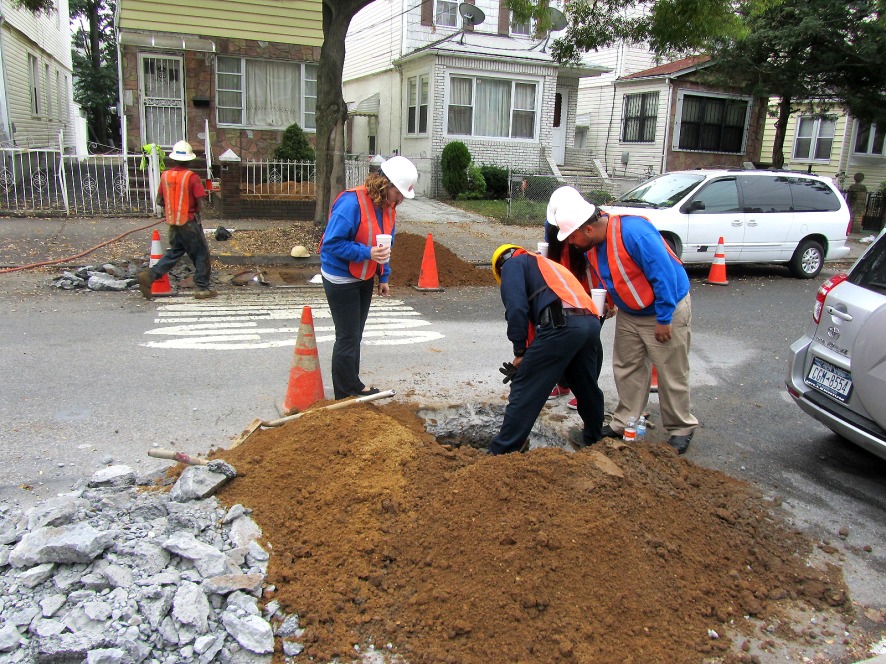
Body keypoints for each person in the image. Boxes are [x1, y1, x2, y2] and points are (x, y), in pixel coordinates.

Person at [554, 197, 698, 454]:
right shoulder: (593, 244)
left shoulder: (634, 233)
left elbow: (663, 273)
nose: (571, 243)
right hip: (632, 312)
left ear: (588, 229)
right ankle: (624, 423)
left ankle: (681, 427)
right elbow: (609, 273)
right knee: (627, 367)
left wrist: (664, 318)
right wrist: (610, 301)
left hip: (665, 309)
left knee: (670, 370)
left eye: (572, 237)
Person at [488, 243, 604, 455]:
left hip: (561, 325)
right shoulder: (548, 265)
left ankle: (501, 453)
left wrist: (520, 351)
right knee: (586, 387)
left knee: (525, 387)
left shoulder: (512, 265)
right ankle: (595, 439)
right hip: (590, 322)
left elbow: (516, 308)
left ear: (500, 267)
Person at [320, 155, 418, 400]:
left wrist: (383, 275)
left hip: (364, 277)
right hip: (341, 277)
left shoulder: (388, 208)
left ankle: (353, 384)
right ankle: (344, 394)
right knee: (347, 336)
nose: (401, 199)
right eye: (399, 193)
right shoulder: (351, 203)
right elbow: (331, 244)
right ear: (386, 184)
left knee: (356, 335)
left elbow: (387, 245)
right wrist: (367, 253)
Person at [544, 186, 609, 410]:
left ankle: (586, 391)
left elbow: (604, 265)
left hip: (590, 292)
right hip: (563, 289)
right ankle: (563, 383)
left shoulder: (591, 226)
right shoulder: (552, 227)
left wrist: (606, 297)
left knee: (589, 343)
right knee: (562, 336)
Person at [136, 140, 215, 300]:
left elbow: (160, 200)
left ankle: (150, 275)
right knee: (201, 254)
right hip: (189, 223)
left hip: (172, 223)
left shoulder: (165, 176)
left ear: (173, 159)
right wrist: (198, 213)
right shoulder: (192, 177)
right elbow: (201, 201)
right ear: (190, 160)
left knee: (175, 253)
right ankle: (202, 288)